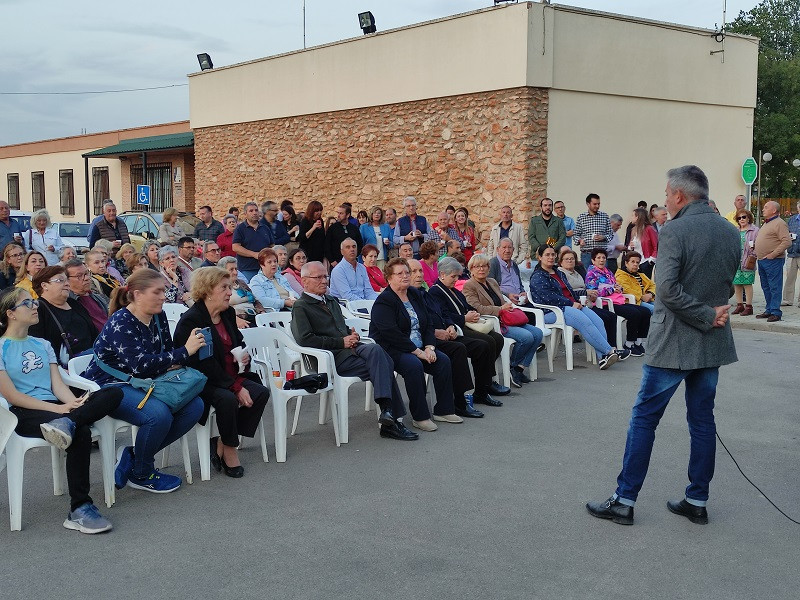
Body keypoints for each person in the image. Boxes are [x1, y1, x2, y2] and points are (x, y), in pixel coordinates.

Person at [587, 165, 741, 526]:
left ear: (680, 196)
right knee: (702, 422)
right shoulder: (730, 231)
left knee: (644, 419)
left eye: (668, 194)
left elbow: (668, 290)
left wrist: (703, 313)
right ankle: (697, 500)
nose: (665, 201)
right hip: (712, 339)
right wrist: (711, 312)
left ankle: (624, 501)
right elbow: (726, 285)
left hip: (675, 341)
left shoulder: (674, 230)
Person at [0, 286, 122, 534]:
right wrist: (61, 410)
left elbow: (57, 385)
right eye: (27, 303)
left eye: (34, 302)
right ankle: (80, 508)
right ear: (10, 313)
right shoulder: (1, 347)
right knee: (82, 432)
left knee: (114, 392)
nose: (35, 306)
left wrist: (71, 404)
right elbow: (12, 396)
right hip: (23, 411)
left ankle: (70, 421)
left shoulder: (42, 344)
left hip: (57, 408)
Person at [83, 269, 205, 494]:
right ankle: (142, 472)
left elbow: (164, 354)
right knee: (158, 415)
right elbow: (140, 364)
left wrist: (180, 355)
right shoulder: (122, 321)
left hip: (144, 382)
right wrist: (185, 351)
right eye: (157, 291)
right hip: (110, 386)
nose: (163, 296)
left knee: (195, 406)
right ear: (137, 294)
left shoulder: (158, 316)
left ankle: (133, 456)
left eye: (164, 291)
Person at [291, 261, 418, 441]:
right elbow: (304, 339)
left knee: (379, 354)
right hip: (331, 359)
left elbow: (339, 327)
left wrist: (351, 333)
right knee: (384, 362)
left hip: (351, 351)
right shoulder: (301, 306)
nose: (324, 281)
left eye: (325, 276)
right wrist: (341, 341)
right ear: (304, 281)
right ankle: (391, 417)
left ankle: (389, 415)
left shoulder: (331, 301)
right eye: (318, 277)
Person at [173, 267, 270, 478]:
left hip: (229, 374)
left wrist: (243, 356)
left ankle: (223, 440)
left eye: (230, 287)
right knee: (227, 399)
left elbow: (239, 341)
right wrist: (235, 388)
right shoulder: (192, 321)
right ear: (208, 291)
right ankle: (230, 449)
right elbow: (203, 364)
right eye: (224, 288)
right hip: (203, 380)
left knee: (260, 393)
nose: (230, 293)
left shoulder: (227, 313)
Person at [370, 258, 461, 432]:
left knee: (443, 361)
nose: (405, 276)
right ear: (389, 278)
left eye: (407, 272)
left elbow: (427, 324)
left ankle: (444, 410)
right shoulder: (384, 301)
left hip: (420, 346)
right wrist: (417, 352)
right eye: (399, 273)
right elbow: (392, 334)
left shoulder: (414, 294)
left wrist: (429, 347)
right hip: (392, 349)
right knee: (414, 366)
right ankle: (420, 417)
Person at [427, 257, 510, 409]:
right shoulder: (435, 292)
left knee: (497, 338)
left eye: (457, 276)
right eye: (453, 276)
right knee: (485, 344)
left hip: (465, 324)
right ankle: (481, 389)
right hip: (457, 327)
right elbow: (444, 315)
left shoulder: (452, 290)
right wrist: (464, 318)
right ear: (442, 275)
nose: (456, 279)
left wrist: (472, 313)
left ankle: (487, 382)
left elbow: (465, 306)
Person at [529, 245, 624, 369]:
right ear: (540, 257)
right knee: (585, 322)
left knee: (598, 321)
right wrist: (571, 303)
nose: (551, 257)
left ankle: (602, 358)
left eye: (553, 254)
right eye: (547, 255)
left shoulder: (559, 272)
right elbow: (549, 297)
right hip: (551, 311)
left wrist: (578, 300)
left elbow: (569, 291)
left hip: (569, 306)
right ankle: (609, 351)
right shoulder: (538, 276)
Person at [462, 253, 543, 387]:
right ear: (471, 269)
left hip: (507, 318)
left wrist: (507, 306)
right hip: (493, 322)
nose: (481, 269)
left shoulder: (492, 282)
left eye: (484, 266)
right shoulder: (469, 286)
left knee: (537, 333)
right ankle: (512, 366)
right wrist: (500, 309)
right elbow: (476, 308)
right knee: (527, 337)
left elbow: (502, 298)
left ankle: (519, 368)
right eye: (477, 267)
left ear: (489, 268)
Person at [585, 248, 651, 356]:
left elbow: (614, 285)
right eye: (598, 258)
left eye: (603, 258)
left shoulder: (608, 271)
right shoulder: (591, 274)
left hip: (617, 300)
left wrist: (618, 287)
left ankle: (638, 342)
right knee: (634, 313)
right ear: (593, 260)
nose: (601, 260)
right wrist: (611, 289)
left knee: (646, 311)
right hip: (605, 303)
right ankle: (629, 344)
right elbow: (593, 292)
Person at [29, 266, 99, 368]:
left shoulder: (74, 304)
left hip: (93, 359)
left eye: (66, 280)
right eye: (60, 280)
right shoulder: (38, 310)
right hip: (66, 368)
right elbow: (37, 347)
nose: (67, 284)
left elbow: (94, 334)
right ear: (44, 285)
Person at [754, 200, 792, 322]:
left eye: (766, 207)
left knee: (774, 287)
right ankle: (769, 309)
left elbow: (787, 241)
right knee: (766, 286)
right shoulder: (766, 223)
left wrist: (773, 254)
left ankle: (776, 312)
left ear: (774, 210)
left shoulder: (779, 223)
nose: (763, 209)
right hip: (762, 260)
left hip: (773, 260)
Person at [64, 259, 109, 333]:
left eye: (86, 273)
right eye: (79, 276)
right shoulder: (68, 303)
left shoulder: (98, 298)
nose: (87, 278)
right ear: (67, 280)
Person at [219, 256, 264, 328]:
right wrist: (236, 319)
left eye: (236, 269)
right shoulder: (220, 287)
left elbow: (255, 301)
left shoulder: (241, 283)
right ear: (222, 271)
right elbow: (221, 308)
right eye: (231, 269)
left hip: (255, 315)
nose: (235, 272)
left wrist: (262, 312)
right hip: (239, 319)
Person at [232, 201, 273, 281]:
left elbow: (272, 245)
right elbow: (235, 247)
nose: (254, 213)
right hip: (248, 269)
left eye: (256, 210)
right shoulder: (240, 229)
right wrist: (254, 254)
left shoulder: (265, 228)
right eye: (251, 211)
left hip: (265, 268)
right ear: (245, 214)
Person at [574, 193, 613, 270]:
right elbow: (575, 235)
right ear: (588, 204)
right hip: (587, 254)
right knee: (587, 276)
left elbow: (611, 234)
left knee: (603, 277)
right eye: (595, 204)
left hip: (601, 254)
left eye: (598, 204)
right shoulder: (581, 217)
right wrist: (580, 240)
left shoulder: (604, 216)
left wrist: (603, 237)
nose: (597, 206)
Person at [731, 209, 759, 316]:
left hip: (748, 260)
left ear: (748, 218)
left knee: (747, 283)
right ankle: (739, 305)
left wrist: (754, 255)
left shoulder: (755, 230)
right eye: (739, 218)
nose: (741, 219)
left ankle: (749, 306)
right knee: (737, 283)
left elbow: (758, 244)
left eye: (744, 217)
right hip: (737, 260)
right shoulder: (735, 230)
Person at [623, 208, 658, 278]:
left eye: (633, 215)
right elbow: (630, 245)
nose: (631, 217)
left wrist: (651, 261)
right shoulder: (633, 230)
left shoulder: (649, 229)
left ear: (637, 217)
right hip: (636, 263)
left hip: (646, 262)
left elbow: (656, 246)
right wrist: (630, 246)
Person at [782, 200, 800, 307]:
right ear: (798, 208)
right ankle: (788, 300)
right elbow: (785, 233)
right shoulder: (792, 220)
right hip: (792, 252)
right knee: (790, 277)